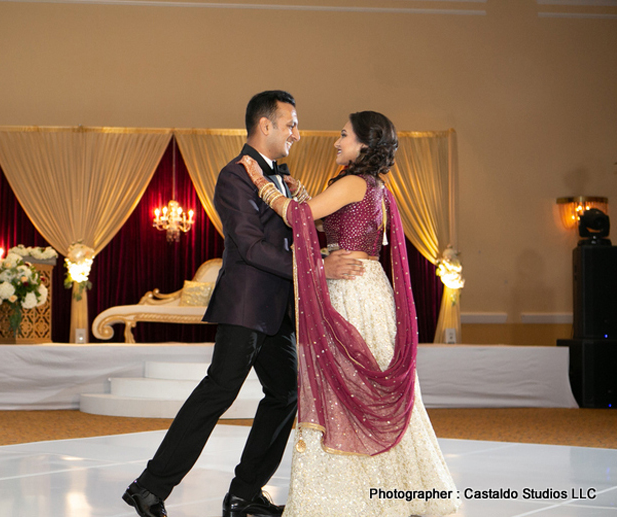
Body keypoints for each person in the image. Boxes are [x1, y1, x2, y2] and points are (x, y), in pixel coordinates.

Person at [122, 91, 364, 517]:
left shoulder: (281, 177)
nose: (297, 133)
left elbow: (290, 232)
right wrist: (316, 267)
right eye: (291, 124)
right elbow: (250, 248)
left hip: (277, 311)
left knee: (286, 392)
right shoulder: (234, 175)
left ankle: (244, 495)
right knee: (219, 391)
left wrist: (310, 223)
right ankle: (149, 487)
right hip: (247, 304)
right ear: (265, 125)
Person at [242, 111, 461, 517]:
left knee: (347, 388)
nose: (336, 141)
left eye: (343, 135)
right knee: (367, 389)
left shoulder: (353, 182)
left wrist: (260, 182)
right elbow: (339, 226)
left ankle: (342, 499)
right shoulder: (373, 185)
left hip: (351, 291)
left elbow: (296, 218)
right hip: (369, 287)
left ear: (364, 145)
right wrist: (306, 194)